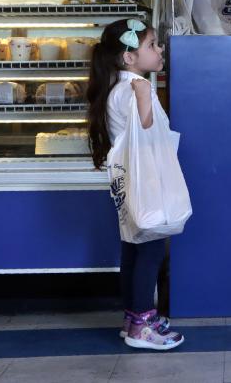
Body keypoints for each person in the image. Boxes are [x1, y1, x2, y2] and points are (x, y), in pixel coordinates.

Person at [87, 19, 185, 351]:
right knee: (151, 250)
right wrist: (146, 93)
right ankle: (142, 324)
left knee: (133, 248)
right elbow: (145, 132)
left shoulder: (116, 87)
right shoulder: (135, 87)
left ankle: (133, 317)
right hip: (146, 180)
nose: (159, 50)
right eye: (152, 45)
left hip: (129, 179)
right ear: (130, 57)